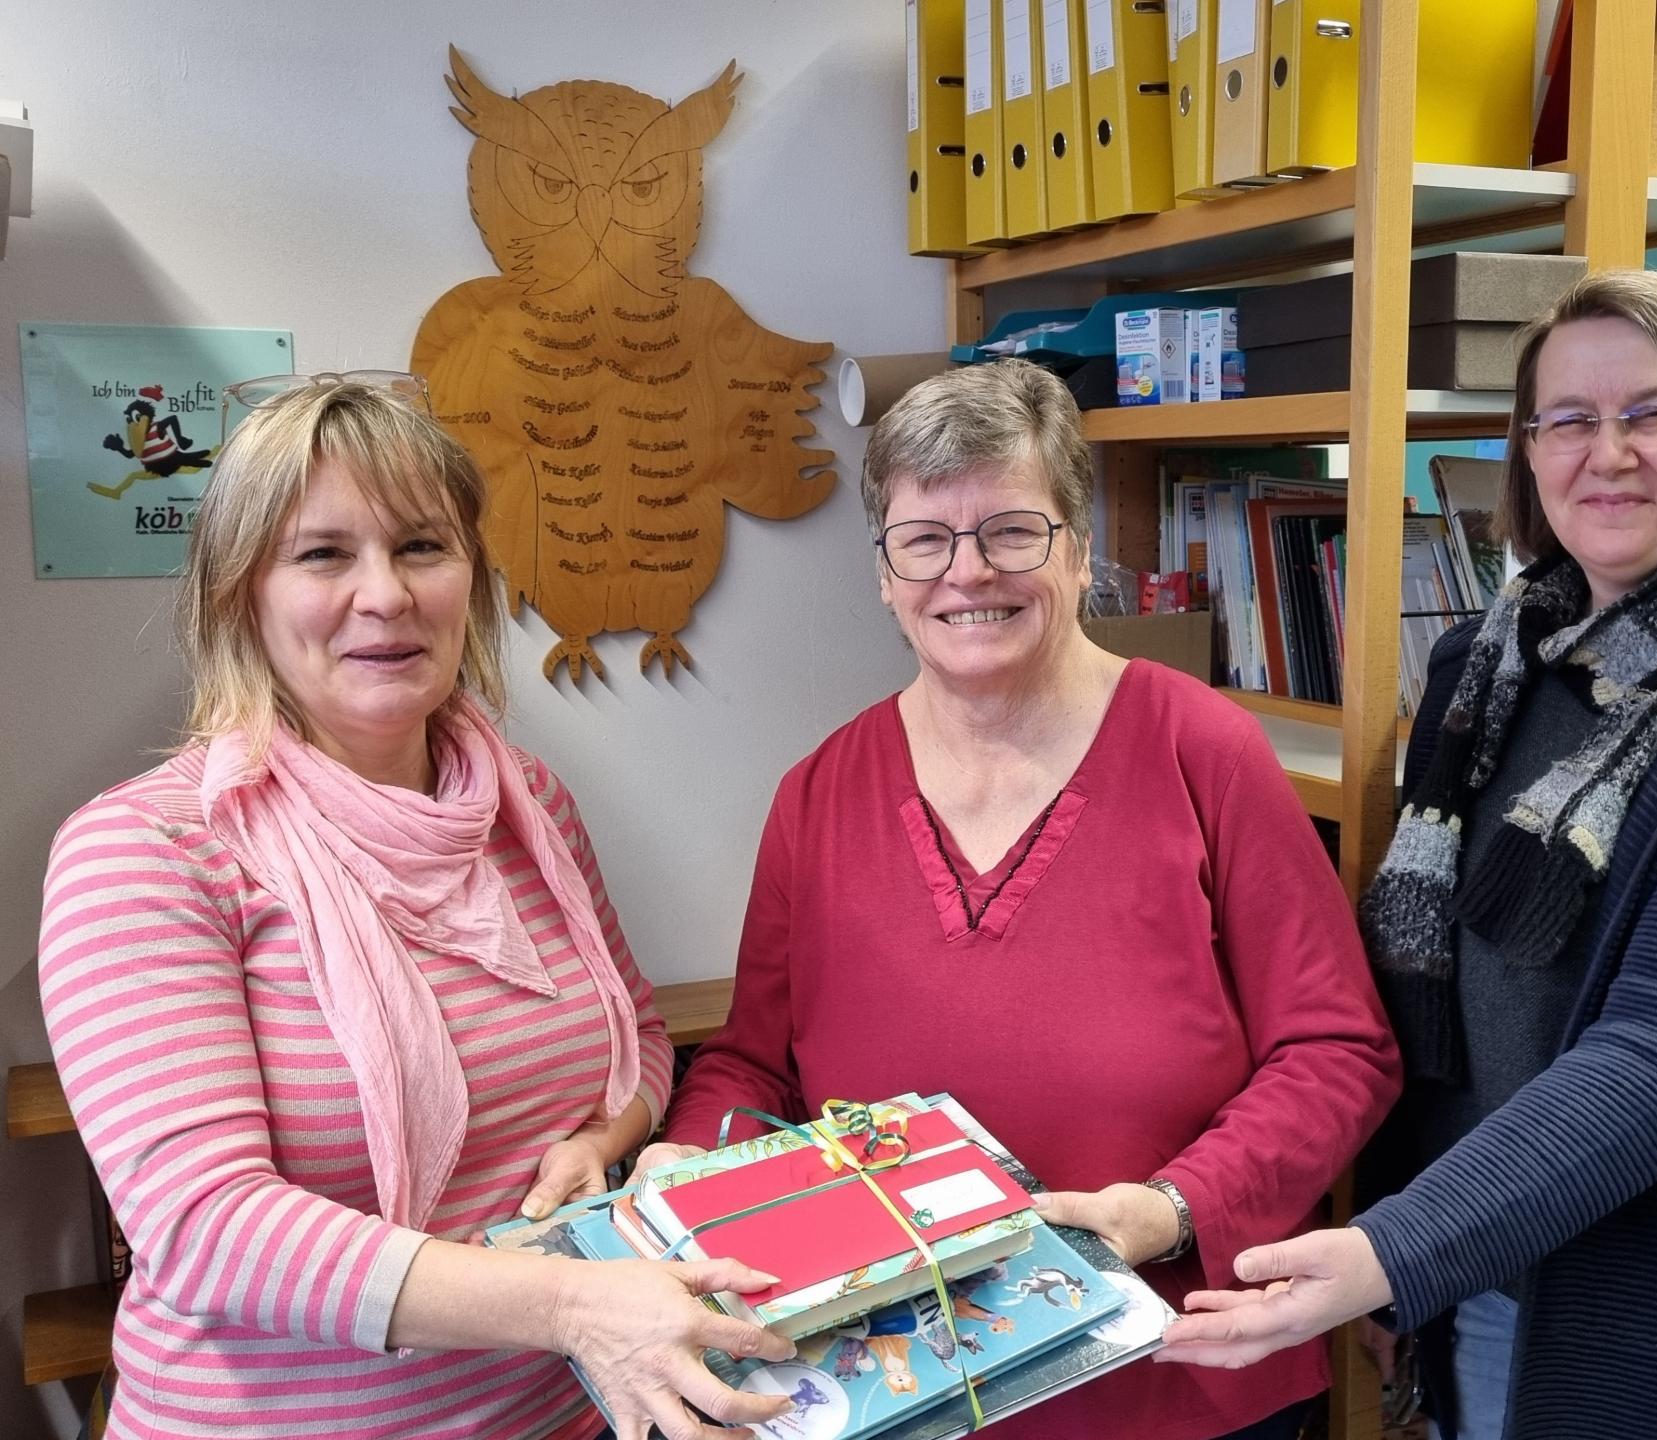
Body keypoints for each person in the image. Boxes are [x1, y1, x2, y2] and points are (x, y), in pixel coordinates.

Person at [1157, 269, 1657, 1440]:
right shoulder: (1490, 665)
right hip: (1496, 1275)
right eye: (1567, 420)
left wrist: (1391, 1249)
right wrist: (1409, 1231)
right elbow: (1439, 991)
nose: (1604, 453)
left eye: (1652, 414)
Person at [642, 358, 1402, 1440]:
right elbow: (754, 1060)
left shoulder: (1205, 751)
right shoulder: (817, 793)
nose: (969, 573)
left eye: (1011, 530)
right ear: (884, 573)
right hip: (904, 1385)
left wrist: (1170, 1208)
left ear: (1083, 551)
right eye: (927, 540)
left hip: (1179, 1368)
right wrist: (693, 1166)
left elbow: (1337, 1051)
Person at [37, 377, 796, 1440]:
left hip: (565, 1413)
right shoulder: (146, 853)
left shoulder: (527, 806)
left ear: (471, 579)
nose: (385, 595)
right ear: (238, 593)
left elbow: (634, 1037)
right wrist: (573, 1307)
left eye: (421, 547)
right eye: (323, 554)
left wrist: (604, 1134)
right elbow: (207, 1230)